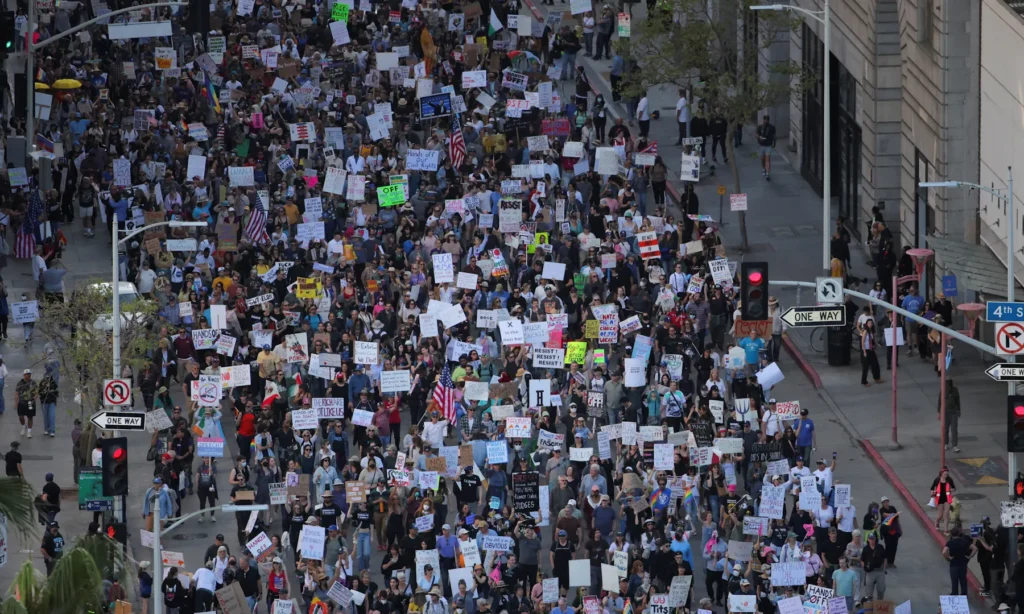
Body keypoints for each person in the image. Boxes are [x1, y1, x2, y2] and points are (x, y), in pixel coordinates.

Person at [943, 525, 975, 595]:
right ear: (958, 533)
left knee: (954, 581)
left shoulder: (950, 543)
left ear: (951, 534)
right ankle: (964, 594)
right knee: (963, 580)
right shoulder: (964, 541)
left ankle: (954, 593)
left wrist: (948, 558)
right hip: (963, 564)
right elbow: (975, 548)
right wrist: (969, 556)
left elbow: (944, 552)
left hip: (954, 564)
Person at [931, 466, 957, 533]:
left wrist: (950, 489)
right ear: (941, 474)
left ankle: (946, 530)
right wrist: (933, 493)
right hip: (939, 498)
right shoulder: (937, 480)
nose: (946, 475)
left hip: (947, 498)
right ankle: (937, 521)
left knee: (946, 513)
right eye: (945, 474)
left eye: (947, 474)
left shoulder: (949, 479)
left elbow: (954, 488)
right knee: (940, 515)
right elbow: (932, 488)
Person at [940, 378, 961, 453]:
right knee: (945, 429)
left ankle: (954, 446)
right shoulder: (943, 390)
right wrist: (938, 412)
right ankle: (945, 443)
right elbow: (939, 401)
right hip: (945, 413)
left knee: (954, 429)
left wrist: (959, 410)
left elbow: (957, 400)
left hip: (953, 413)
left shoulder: (955, 390)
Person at [15, 368, 37, 438]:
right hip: (21, 402)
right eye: (26, 374)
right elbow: (16, 393)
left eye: (29, 374)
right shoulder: (20, 383)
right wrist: (16, 402)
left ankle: (29, 431)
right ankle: (24, 426)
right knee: (21, 417)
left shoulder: (33, 383)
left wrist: (35, 396)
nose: (28, 376)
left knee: (30, 417)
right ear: (24, 375)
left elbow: (36, 391)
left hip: (30, 402)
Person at [755, 114, 776, 181]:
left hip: (768, 146)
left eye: (767, 119)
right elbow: (756, 134)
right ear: (763, 120)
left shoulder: (772, 127)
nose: (766, 121)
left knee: (767, 159)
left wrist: (774, 143)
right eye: (765, 119)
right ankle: (764, 169)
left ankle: (767, 173)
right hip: (761, 145)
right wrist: (759, 137)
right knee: (762, 159)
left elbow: (774, 136)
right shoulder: (760, 127)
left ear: (768, 120)